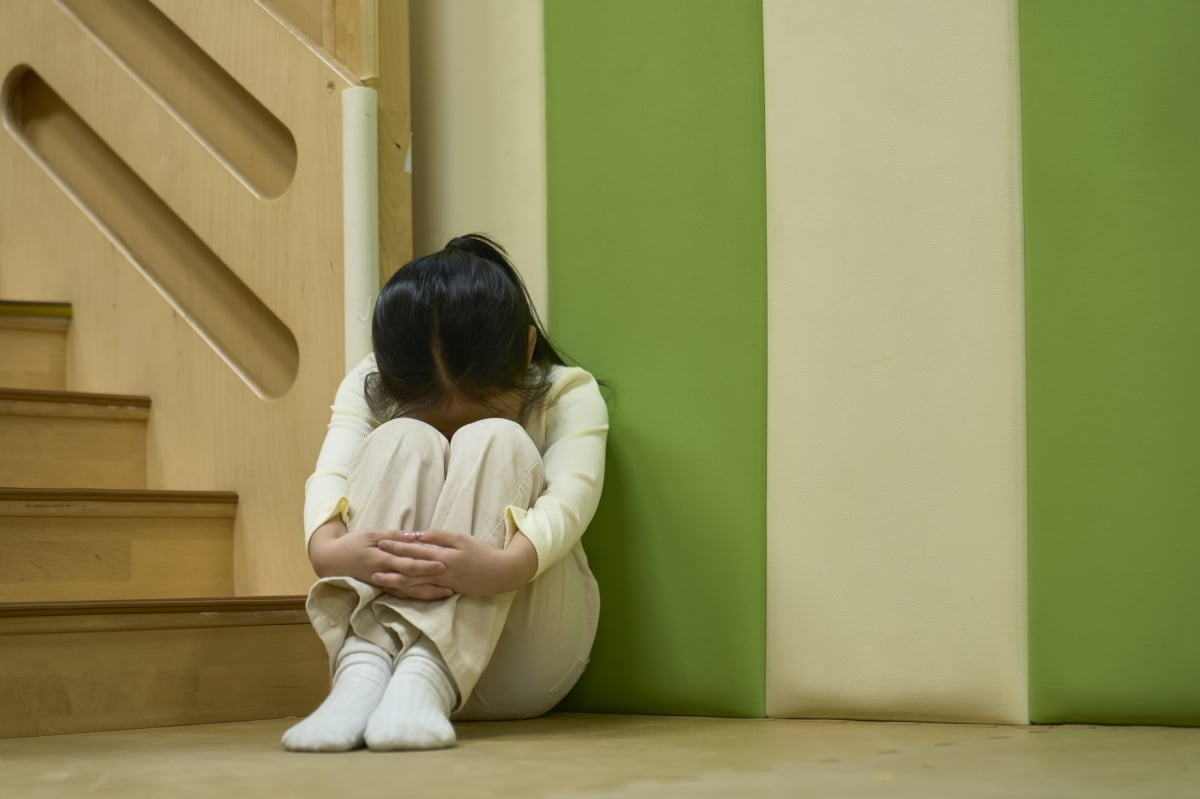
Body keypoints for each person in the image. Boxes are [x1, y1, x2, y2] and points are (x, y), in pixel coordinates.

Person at [282, 235, 607, 752]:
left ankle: (427, 674)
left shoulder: (566, 392)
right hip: (381, 665)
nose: (457, 427)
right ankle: (360, 673)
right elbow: (331, 476)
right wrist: (329, 550)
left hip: (520, 661)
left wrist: (505, 566)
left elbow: (572, 500)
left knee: (498, 441)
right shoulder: (370, 382)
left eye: (485, 404)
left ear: (525, 351)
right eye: (432, 413)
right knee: (401, 438)